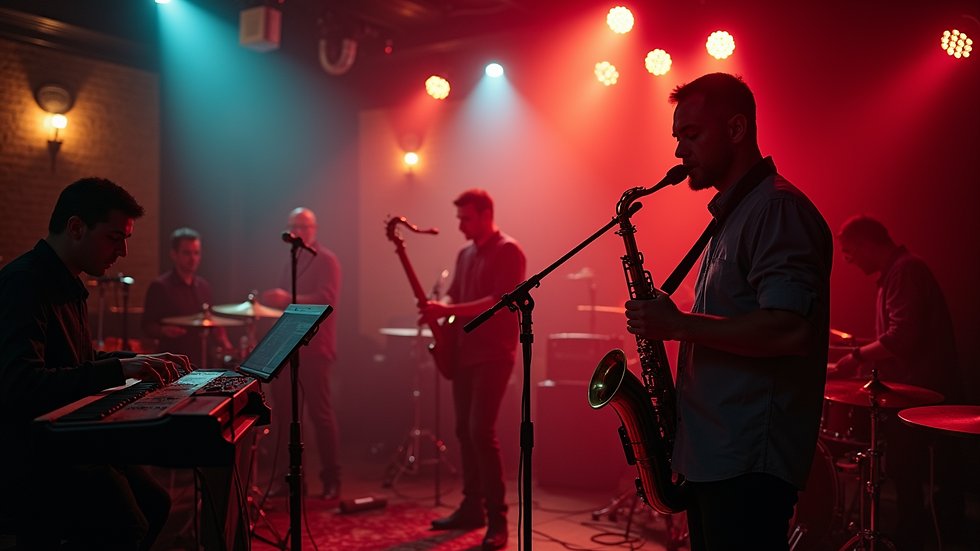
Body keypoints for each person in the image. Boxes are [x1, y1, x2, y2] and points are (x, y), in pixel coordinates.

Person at [623, 73, 832, 550]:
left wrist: (677, 325)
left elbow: (790, 331)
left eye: (691, 135)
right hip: (716, 453)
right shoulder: (736, 215)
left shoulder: (776, 209)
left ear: (737, 130)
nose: (679, 152)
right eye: (678, 138)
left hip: (746, 460)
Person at [0, 177, 191, 550]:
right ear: (76, 227)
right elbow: (20, 385)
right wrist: (120, 370)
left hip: (66, 440)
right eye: (114, 237)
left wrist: (137, 361)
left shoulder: (65, 282)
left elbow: (78, 361)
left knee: (156, 503)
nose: (121, 251)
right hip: (31, 455)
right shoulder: (25, 283)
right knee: (126, 525)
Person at [835, 214, 963, 550]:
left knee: (909, 476)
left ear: (866, 245)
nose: (849, 261)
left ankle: (911, 541)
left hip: (924, 398)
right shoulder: (899, 271)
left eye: (849, 253)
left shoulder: (905, 270)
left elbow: (903, 337)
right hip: (916, 394)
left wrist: (855, 358)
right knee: (906, 476)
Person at [419, 189, 526, 551]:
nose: (460, 224)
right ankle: (471, 509)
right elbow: (455, 294)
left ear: (485, 215)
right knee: (464, 430)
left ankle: (498, 520)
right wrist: (441, 304)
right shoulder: (465, 254)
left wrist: (449, 308)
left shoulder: (508, 250)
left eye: (466, 218)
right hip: (466, 353)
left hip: (495, 354)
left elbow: (497, 302)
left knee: (481, 430)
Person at [261, 207, 342, 500]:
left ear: (314, 228)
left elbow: (327, 299)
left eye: (303, 226)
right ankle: (293, 480)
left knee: (320, 416)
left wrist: (287, 299)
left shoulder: (327, 260)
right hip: (289, 349)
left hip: (316, 348)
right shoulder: (290, 262)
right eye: (293, 226)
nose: (298, 231)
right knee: (285, 416)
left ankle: (332, 479)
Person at [142, 227, 234, 368]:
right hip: (174, 365)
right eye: (187, 253)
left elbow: (212, 322)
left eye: (196, 253)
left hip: (203, 362)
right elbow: (146, 326)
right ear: (174, 254)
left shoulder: (203, 286)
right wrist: (163, 331)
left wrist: (226, 344)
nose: (193, 258)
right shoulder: (160, 286)